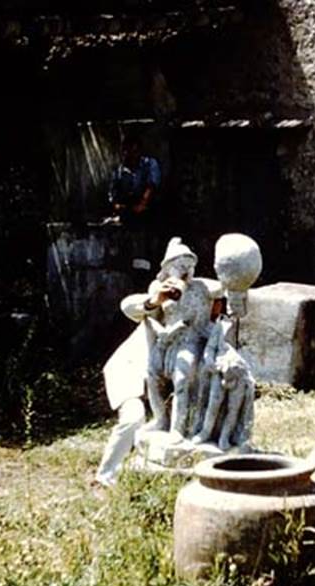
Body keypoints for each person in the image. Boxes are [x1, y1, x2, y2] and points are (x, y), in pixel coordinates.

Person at [94, 237, 220, 486]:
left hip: (167, 374)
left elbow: (216, 289)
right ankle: (105, 476)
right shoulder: (156, 296)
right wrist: (156, 299)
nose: (185, 271)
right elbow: (128, 306)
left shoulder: (195, 292)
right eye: (179, 265)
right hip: (132, 371)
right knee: (133, 418)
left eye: (189, 265)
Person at [108, 133, 161, 227]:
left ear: (139, 151)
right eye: (127, 152)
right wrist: (116, 205)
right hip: (128, 209)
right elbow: (113, 192)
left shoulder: (149, 164)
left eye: (134, 151)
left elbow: (152, 186)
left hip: (148, 208)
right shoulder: (119, 171)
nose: (131, 155)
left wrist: (142, 204)